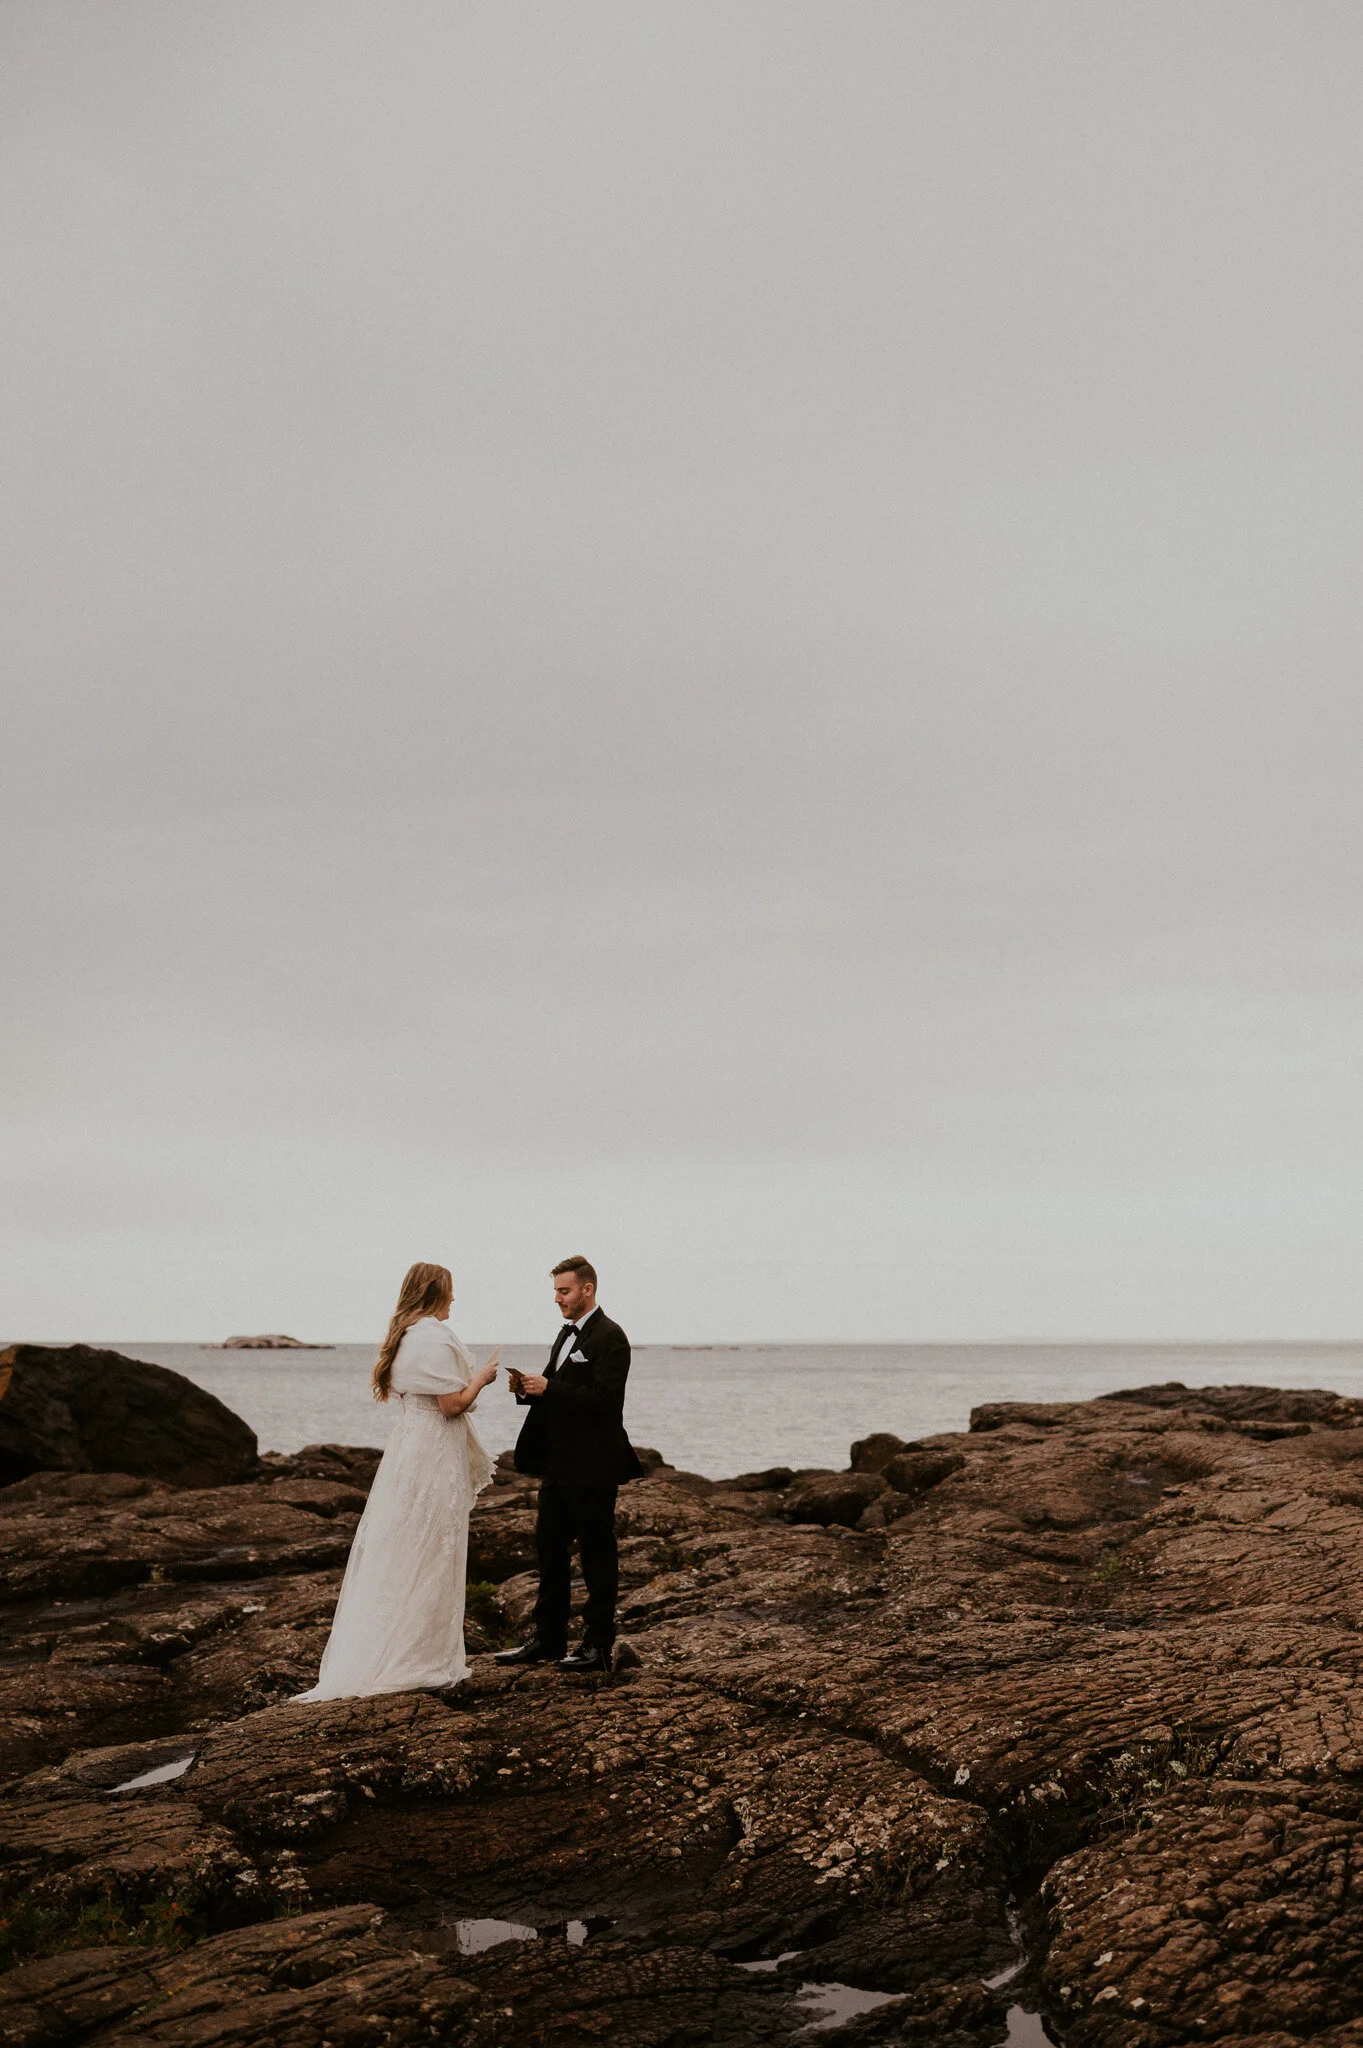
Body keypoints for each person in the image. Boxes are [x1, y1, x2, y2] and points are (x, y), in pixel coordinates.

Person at [296, 1261, 497, 1701]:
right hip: (433, 1453)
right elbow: (450, 1405)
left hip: (409, 1451)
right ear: (434, 1293)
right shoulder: (432, 1337)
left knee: (406, 1548)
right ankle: (418, 1659)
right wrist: (481, 1378)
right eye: (450, 1291)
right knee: (432, 1552)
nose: (454, 1300)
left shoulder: (404, 1336)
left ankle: (401, 1649)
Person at [495, 1255, 643, 1674]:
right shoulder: (565, 1336)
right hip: (558, 1464)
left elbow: (604, 1401)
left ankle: (597, 1645)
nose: (557, 1299)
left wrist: (550, 1387)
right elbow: (554, 1389)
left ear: (587, 1289)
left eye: (564, 1291)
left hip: (595, 1465)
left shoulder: (611, 1337)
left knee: (597, 1554)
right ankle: (548, 1638)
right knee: (549, 1550)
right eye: (556, 1292)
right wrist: (525, 1390)